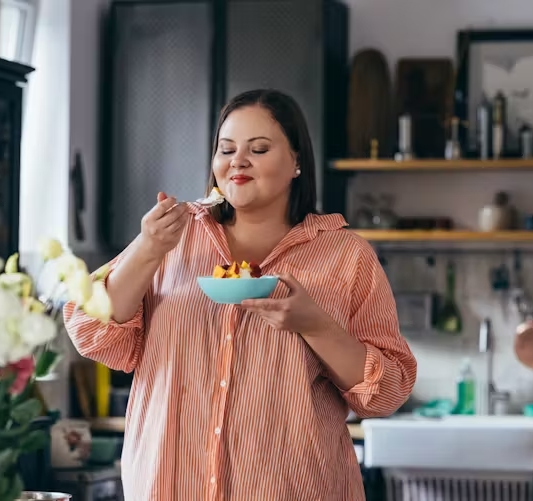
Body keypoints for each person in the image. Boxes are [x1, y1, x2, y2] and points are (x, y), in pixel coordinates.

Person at [64, 89, 417, 501]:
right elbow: (90, 329)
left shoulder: (345, 257)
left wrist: (315, 325)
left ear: (297, 161)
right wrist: (147, 249)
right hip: (169, 485)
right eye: (226, 149)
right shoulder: (173, 238)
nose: (237, 162)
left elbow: (388, 391)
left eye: (260, 149)